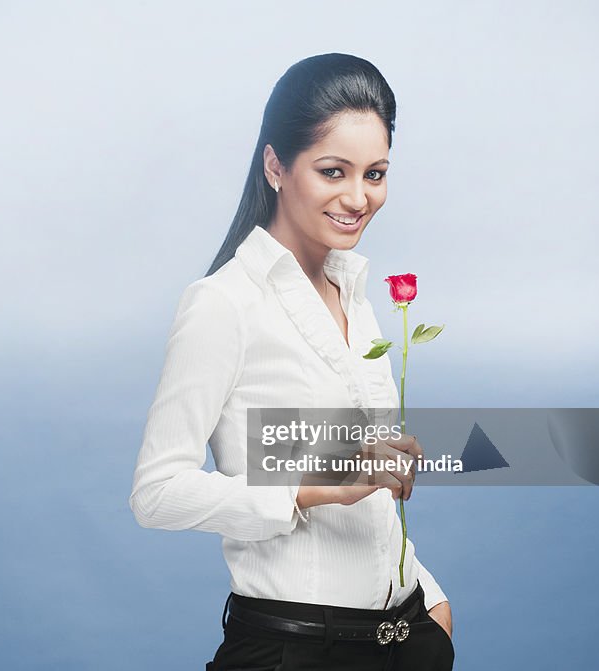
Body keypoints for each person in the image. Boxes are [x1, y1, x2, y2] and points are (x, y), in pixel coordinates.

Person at [129, 53, 454, 670]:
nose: (359, 198)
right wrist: (309, 489)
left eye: (376, 173)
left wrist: (431, 608)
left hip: (406, 637)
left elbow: (373, 493)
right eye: (333, 171)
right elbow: (156, 492)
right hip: (295, 649)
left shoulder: (356, 298)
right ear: (276, 164)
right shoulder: (222, 304)